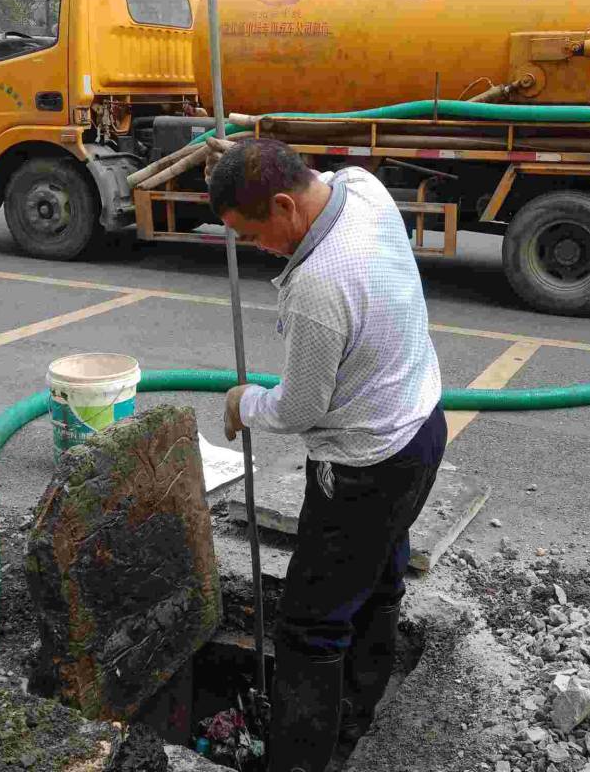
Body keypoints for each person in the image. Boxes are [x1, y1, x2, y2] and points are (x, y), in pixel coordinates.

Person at [206, 137, 445, 772]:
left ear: (284, 206)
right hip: (421, 431)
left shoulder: (317, 284)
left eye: (251, 232)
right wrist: (243, 160)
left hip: (364, 468)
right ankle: (354, 721)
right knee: (379, 579)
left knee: (311, 625)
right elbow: (312, 172)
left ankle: (300, 761)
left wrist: (244, 404)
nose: (256, 247)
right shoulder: (364, 189)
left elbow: (300, 409)